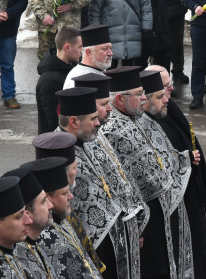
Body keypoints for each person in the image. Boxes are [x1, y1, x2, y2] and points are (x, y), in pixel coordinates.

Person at [101, 66, 179, 279]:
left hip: (157, 210)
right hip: (144, 215)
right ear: (119, 99)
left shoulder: (136, 117)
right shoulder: (112, 130)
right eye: (138, 94)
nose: (144, 98)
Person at [70, 73, 149, 279]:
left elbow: (121, 179)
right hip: (99, 244)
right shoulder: (63, 149)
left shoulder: (97, 134)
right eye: (104, 103)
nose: (110, 109)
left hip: (120, 233)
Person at [148, 65, 206, 279]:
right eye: (164, 89)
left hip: (191, 196)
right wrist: (185, 161)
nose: (170, 93)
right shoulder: (152, 120)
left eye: (170, 86)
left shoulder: (167, 108)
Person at [138, 70, 194, 277]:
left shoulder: (156, 119)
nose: (167, 99)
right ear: (145, 100)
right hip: (152, 216)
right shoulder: (140, 124)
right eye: (160, 96)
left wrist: (184, 159)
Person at [30, 133, 105, 276]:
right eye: (65, 193)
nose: (71, 196)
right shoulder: (40, 234)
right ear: (47, 197)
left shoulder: (68, 215)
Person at [89, 0, 153, 68]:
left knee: (130, 70)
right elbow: (95, 13)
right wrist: (97, 33)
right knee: (110, 68)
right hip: (110, 37)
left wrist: (147, 28)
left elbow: (146, 7)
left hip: (133, 34)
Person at [4, 164, 55, 278]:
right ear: (26, 213)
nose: (51, 205)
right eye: (43, 202)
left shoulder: (37, 242)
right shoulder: (20, 255)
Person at [35, 26, 82, 132]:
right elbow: (55, 121)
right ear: (67, 47)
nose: (81, 51)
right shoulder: (49, 81)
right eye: (80, 47)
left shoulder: (71, 68)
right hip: (55, 142)